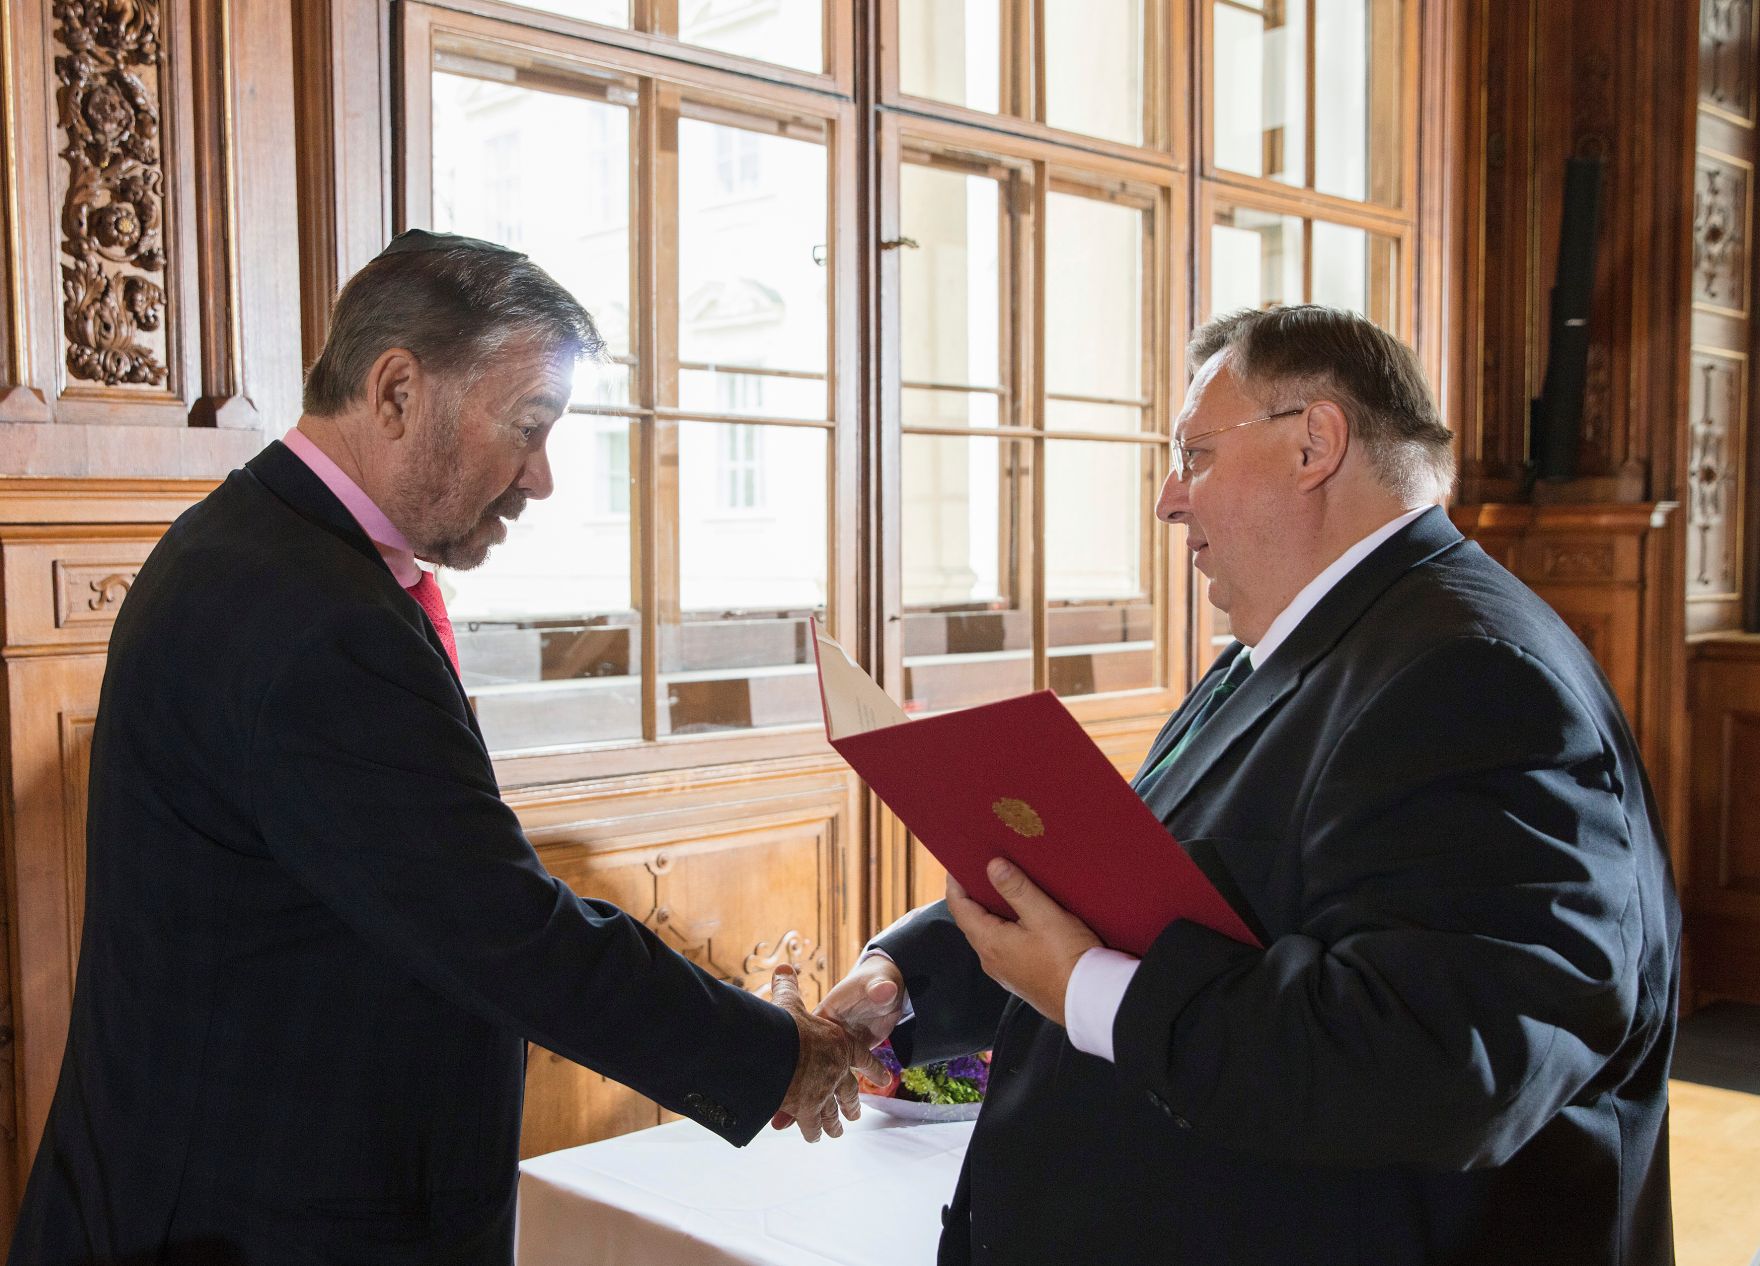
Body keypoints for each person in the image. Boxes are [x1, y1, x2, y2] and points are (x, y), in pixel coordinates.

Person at [10, 230, 884, 1266]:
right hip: (250, 1218)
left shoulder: (256, 546)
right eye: (528, 426)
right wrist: (767, 1054)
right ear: (395, 392)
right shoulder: (310, 614)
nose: (543, 477)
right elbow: (498, 924)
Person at [812, 305, 1680, 1264]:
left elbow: (1445, 1066)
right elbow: (1135, 885)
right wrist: (906, 978)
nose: (1169, 500)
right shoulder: (1293, 648)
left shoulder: (1477, 677)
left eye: (1195, 456)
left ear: (1316, 443)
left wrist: (1088, 990)